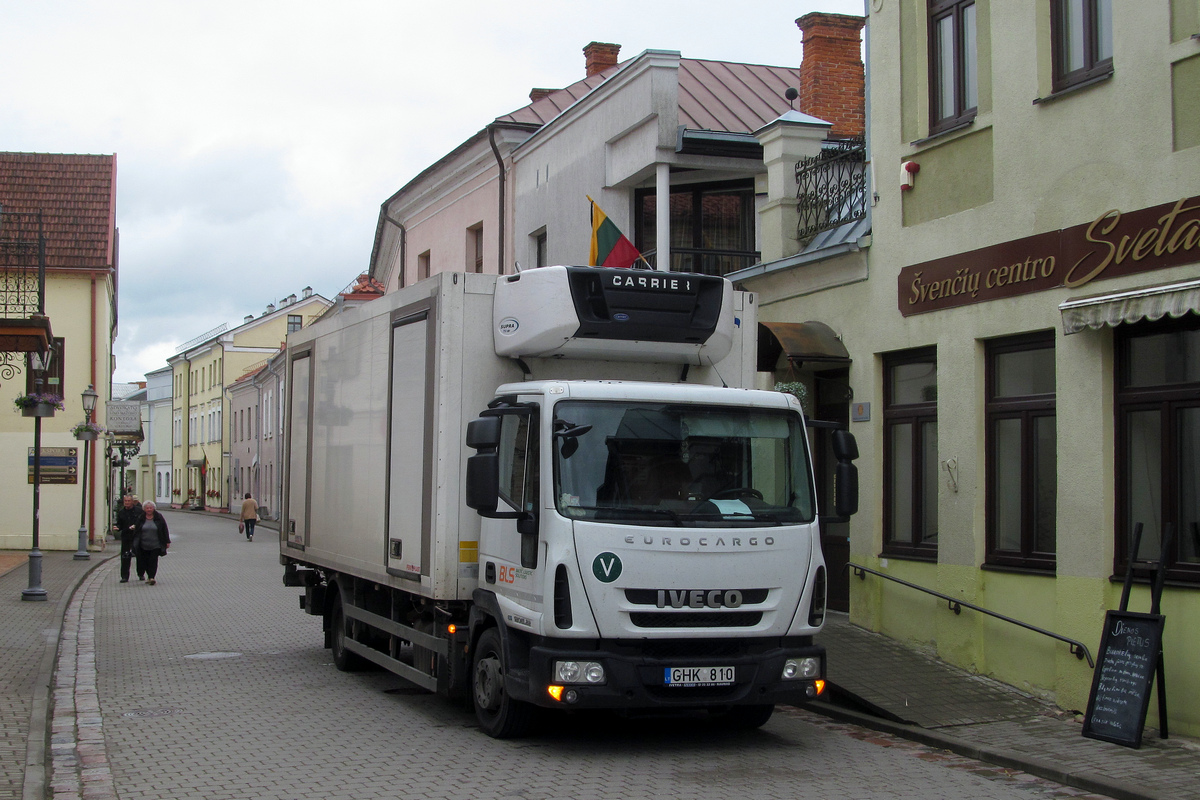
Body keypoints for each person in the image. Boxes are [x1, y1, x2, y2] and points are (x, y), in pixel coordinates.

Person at [132, 501, 170, 585]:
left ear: (153, 508)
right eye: (147, 508)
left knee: (153, 561)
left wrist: (167, 541)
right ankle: (148, 575)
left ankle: (151, 577)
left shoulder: (158, 517)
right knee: (144, 561)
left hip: (155, 544)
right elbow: (137, 531)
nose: (149, 510)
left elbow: (164, 529)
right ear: (144, 509)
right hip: (143, 544)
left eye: (150, 508)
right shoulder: (141, 518)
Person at [113, 494, 144, 583]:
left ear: (132, 502)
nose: (127, 503)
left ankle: (141, 573)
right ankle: (124, 576)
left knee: (140, 555)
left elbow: (142, 522)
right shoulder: (121, 512)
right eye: (125, 501)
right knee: (125, 556)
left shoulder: (138, 511)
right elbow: (119, 523)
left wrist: (136, 526)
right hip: (126, 536)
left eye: (128, 501)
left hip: (137, 536)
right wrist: (118, 527)